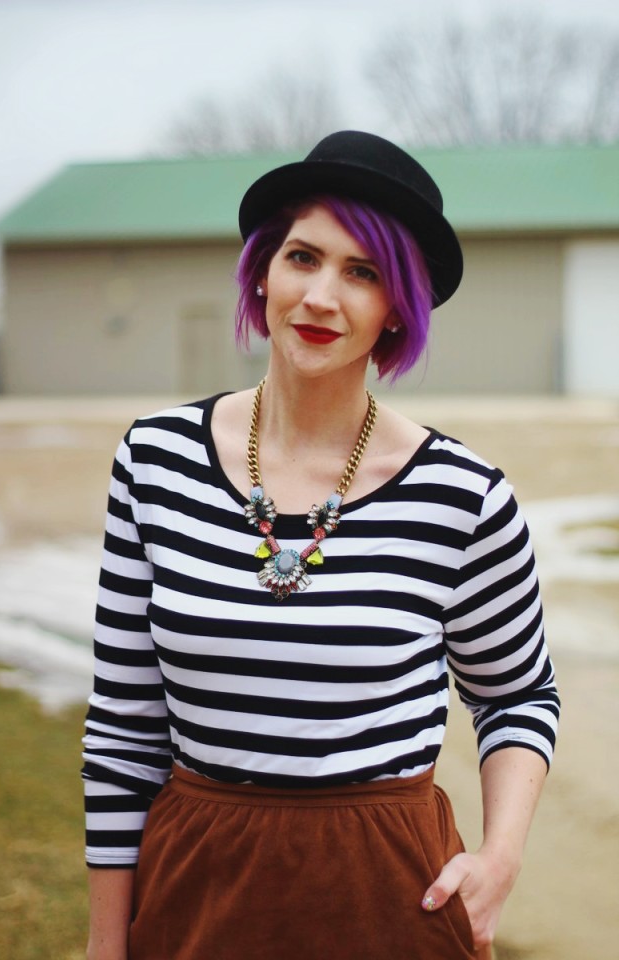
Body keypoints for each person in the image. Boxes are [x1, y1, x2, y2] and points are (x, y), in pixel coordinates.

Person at [82, 130, 560, 960]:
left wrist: (502, 856)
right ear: (263, 270)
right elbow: (125, 731)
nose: (321, 297)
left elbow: (517, 696)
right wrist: (104, 944)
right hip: (198, 887)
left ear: (400, 305)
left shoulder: (464, 496)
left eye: (363, 273)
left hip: (389, 894)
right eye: (303, 257)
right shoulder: (155, 461)